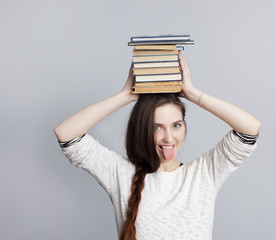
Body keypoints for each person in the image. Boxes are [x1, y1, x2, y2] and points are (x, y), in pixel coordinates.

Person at [54, 52, 261, 240]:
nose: (168, 138)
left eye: (176, 125)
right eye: (157, 127)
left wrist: (192, 93)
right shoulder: (120, 174)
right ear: (142, 130)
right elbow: (66, 133)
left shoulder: (204, 173)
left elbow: (250, 129)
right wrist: (125, 96)